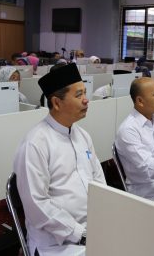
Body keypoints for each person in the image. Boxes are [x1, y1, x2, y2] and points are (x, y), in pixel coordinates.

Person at [13, 63, 105, 256]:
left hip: (93, 227)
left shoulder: (83, 136)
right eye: (79, 95)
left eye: (85, 93)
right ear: (56, 103)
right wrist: (81, 234)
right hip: (57, 243)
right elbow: (37, 206)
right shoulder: (35, 144)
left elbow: (99, 181)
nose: (86, 100)